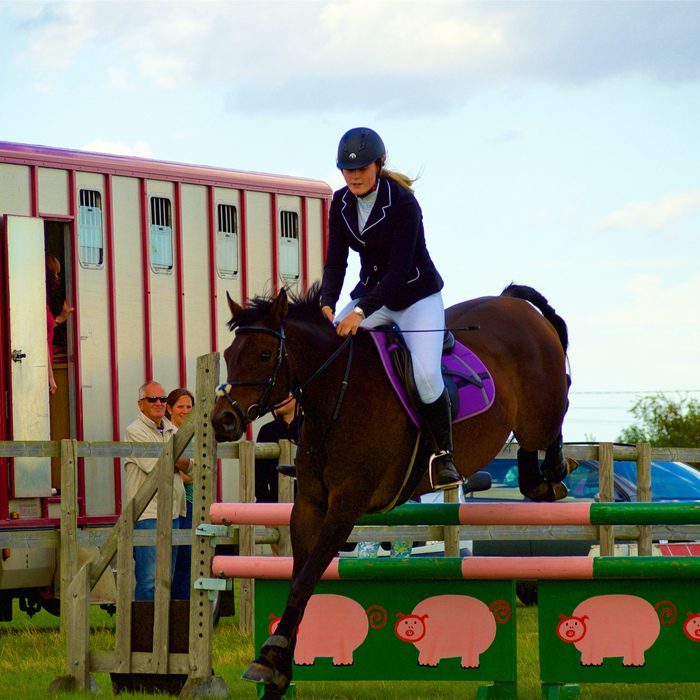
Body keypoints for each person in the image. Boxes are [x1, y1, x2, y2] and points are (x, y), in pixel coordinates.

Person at [320, 127, 462, 491]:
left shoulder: (403, 203)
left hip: (417, 298)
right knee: (328, 350)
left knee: (427, 375)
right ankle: (322, 445)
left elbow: (399, 272)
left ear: (379, 165)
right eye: (347, 170)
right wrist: (327, 303)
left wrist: (360, 313)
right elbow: (336, 262)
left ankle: (443, 454)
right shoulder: (339, 204)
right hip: (372, 295)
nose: (354, 175)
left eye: (362, 168)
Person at [123, 381, 189, 601]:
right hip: (148, 514)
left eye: (162, 399)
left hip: (173, 513)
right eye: (152, 399)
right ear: (141, 404)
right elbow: (156, 467)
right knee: (150, 580)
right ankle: (143, 633)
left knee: (166, 580)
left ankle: (163, 633)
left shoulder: (172, 430)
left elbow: (195, 467)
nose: (158, 403)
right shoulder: (135, 431)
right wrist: (180, 462)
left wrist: (175, 462)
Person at [166, 387, 195, 600]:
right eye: (180, 406)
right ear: (169, 409)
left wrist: (179, 469)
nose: (185, 411)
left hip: (192, 501)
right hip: (173, 502)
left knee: (187, 559)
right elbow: (164, 463)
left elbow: (198, 472)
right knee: (173, 559)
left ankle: (182, 608)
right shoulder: (167, 433)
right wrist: (182, 470)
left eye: (188, 406)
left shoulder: (196, 435)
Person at [255, 395, 299, 505]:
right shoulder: (267, 431)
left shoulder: (308, 429)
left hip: (307, 506)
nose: (278, 399)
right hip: (274, 506)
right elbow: (259, 476)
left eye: (284, 395)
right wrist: (267, 506)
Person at [45, 254, 74, 394]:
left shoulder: (44, 303)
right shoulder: (41, 304)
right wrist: (50, 376)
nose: (57, 277)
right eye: (55, 273)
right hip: (44, 366)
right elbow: (41, 341)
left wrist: (61, 318)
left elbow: (46, 329)